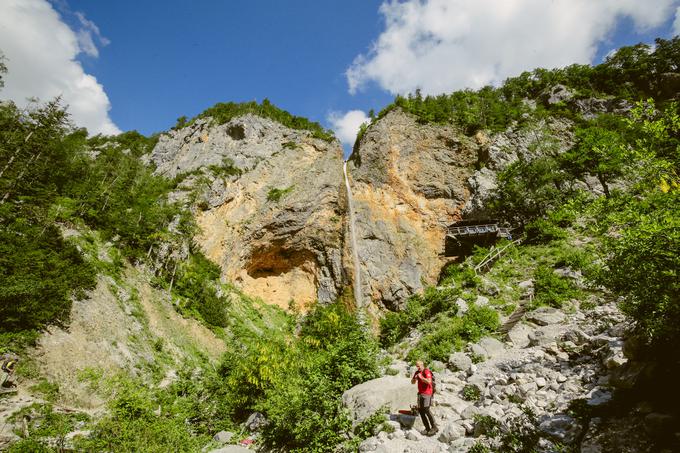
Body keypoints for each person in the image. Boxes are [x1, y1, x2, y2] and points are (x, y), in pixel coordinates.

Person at [411, 360, 438, 436]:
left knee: (426, 409)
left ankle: (434, 427)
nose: (418, 367)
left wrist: (421, 377)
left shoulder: (426, 371)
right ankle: (427, 428)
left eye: (419, 366)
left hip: (427, 393)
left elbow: (429, 381)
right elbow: (412, 382)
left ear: (422, 365)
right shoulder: (417, 372)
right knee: (421, 411)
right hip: (420, 394)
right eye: (417, 366)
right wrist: (414, 379)